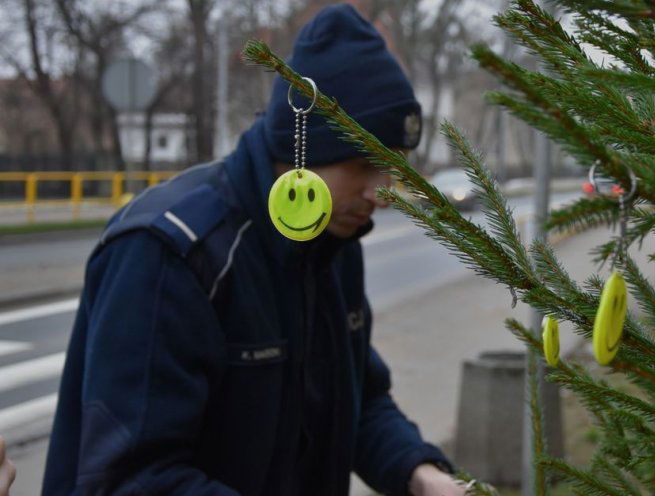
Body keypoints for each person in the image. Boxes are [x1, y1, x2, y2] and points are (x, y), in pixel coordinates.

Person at [43, 5, 464, 495]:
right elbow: (131, 478)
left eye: (394, 167)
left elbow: (358, 400)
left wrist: (421, 474)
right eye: (364, 165)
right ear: (304, 151)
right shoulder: (171, 253)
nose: (382, 191)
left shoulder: (334, 239)